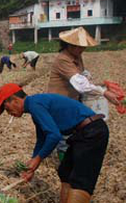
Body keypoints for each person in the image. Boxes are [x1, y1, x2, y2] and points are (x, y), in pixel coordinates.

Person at [0, 83, 109, 203]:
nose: (9, 113)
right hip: (83, 133)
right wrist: (32, 165)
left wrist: (38, 159)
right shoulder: (35, 106)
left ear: (14, 100)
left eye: (7, 109)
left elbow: (54, 135)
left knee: (80, 179)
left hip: (92, 132)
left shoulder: (34, 104)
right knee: (65, 171)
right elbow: (42, 138)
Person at [47, 27, 120, 160]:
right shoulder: (63, 59)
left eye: (83, 47)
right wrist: (104, 92)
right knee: (63, 136)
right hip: (60, 103)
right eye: (79, 47)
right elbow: (80, 84)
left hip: (71, 101)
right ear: (70, 45)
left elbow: (82, 76)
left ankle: (71, 159)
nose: (82, 49)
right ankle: (64, 167)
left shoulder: (76, 56)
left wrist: (101, 84)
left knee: (74, 131)